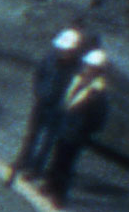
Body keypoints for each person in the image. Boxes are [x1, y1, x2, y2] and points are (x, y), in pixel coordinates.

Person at [39, 44, 112, 205]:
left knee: (67, 164)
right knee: (56, 158)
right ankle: (50, 184)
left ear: (98, 70)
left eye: (92, 67)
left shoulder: (98, 92)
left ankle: (60, 194)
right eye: (87, 65)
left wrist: (84, 131)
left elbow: (99, 119)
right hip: (63, 127)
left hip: (76, 134)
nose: (87, 68)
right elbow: (66, 99)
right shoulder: (77, 79)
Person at [15, 24, 88, 178]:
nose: (63, 53)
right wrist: (40, 92)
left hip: (59, 109)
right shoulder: (50, 58)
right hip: (42, 102)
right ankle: (23, 161)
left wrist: (66, 105)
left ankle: (36, 169)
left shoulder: (77, 68)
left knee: (48, 141)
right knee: (32, 134)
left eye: (67, 51)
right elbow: (39, 74)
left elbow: (77, 89)